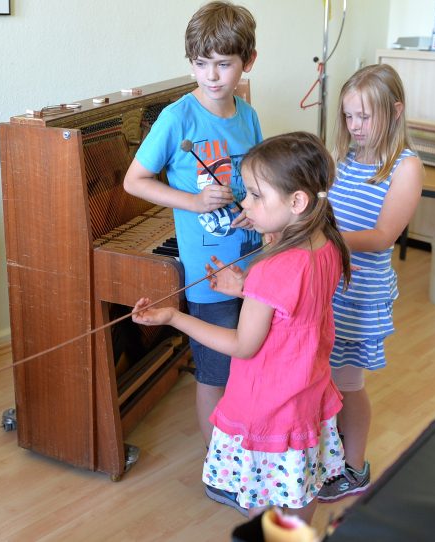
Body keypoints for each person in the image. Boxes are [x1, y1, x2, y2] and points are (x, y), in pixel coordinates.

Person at [132, 132, 352, 522]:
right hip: (307, 394)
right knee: (300, 489)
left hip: (267, 405)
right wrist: (248, 284)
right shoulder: (328, 244)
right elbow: (290, 310)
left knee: (258, 499)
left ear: (296, 202)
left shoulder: (270, 269)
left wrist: (175, 317)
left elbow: (242, 345)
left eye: (254, 195)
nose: (245, 203)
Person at [122, 0, 262, 508]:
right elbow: (134, 181)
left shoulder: (247, 115)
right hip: (207, 274)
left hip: (251, 265)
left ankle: (247, 451)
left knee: (251, 365)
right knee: (214, 374)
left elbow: (258, 181)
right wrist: (192, 200)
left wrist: (256, 209)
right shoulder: (176, 118)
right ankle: (218, 467)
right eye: (200, 63)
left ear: (248, 60)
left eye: (223, 63)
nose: (211, 75)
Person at [316, 64, 424, 502]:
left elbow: (382, 237)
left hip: (361, 295)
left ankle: (355, 468)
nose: (355, 126)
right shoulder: (342, 159)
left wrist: (319, 237)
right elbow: (323, 211)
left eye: (365, 116)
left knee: (348, 384)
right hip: (329, 286)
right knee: (324, 378)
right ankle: (331, 456)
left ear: (394, 111)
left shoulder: (405, 167)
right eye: (348, 116)